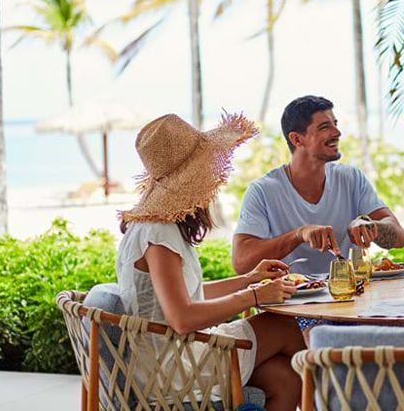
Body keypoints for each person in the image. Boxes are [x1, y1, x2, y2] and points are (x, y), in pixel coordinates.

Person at [116, 113, 306, 409]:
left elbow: (189, 295)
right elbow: (182, 318)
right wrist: (254, 296)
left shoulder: (153, 227)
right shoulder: (158, 233)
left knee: (285, 379)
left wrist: (248, 279)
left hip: (175, 356)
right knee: (287, 328)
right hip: (171, 368)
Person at [232, 95, 404, 275]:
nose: (337, 133)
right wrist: (299, 234)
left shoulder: (351, 178)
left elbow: (400, 238)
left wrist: (370, 226)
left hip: (345, 293)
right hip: (289, 298)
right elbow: (241, 263)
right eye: (325, 127)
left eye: (335, 124)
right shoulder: (262, 191)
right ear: (297, 139)